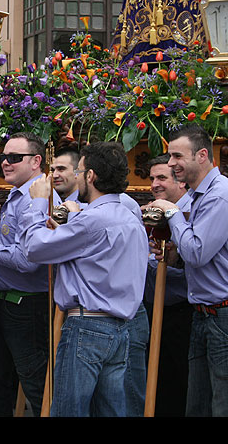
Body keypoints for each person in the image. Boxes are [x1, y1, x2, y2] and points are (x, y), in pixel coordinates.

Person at [20, 141, 148, 417]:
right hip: (120, 328)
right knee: (111, 411)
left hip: (87, 325)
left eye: (79, 172)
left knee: (69, 411)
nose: (77, 177)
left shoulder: (93, 220)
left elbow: (33, 248)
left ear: (91, 176)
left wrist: (39, 203)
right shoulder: (129, 217)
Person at [0, 132, 60, 417]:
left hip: (27, 305)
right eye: (2, 157)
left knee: (36, 385)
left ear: (36, 161)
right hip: (1, 302)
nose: (5, 163)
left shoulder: (41, 198)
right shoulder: (19, 194)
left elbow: (29, 259)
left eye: (14, 158)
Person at [147, 125, 228, 417]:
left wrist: (171, 213)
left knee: (220, 404)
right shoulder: (197, 195)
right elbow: (200, 253)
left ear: (202, 155)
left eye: (177, 156)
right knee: (197, 403)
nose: (170, 164)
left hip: (222, 314)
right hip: (204, 313)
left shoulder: (219, 196)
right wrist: (173, 254)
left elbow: (197, 251)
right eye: (170, 156)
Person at [143, 153, 192, 416]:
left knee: (182, 386)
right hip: (154, 309)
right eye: (152, 178)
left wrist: (175, 259)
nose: (154, 184)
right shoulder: (151, 210)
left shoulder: (193, 211)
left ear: (181, 181)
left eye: (162, 177)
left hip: (185, 312)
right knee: (158, 385)